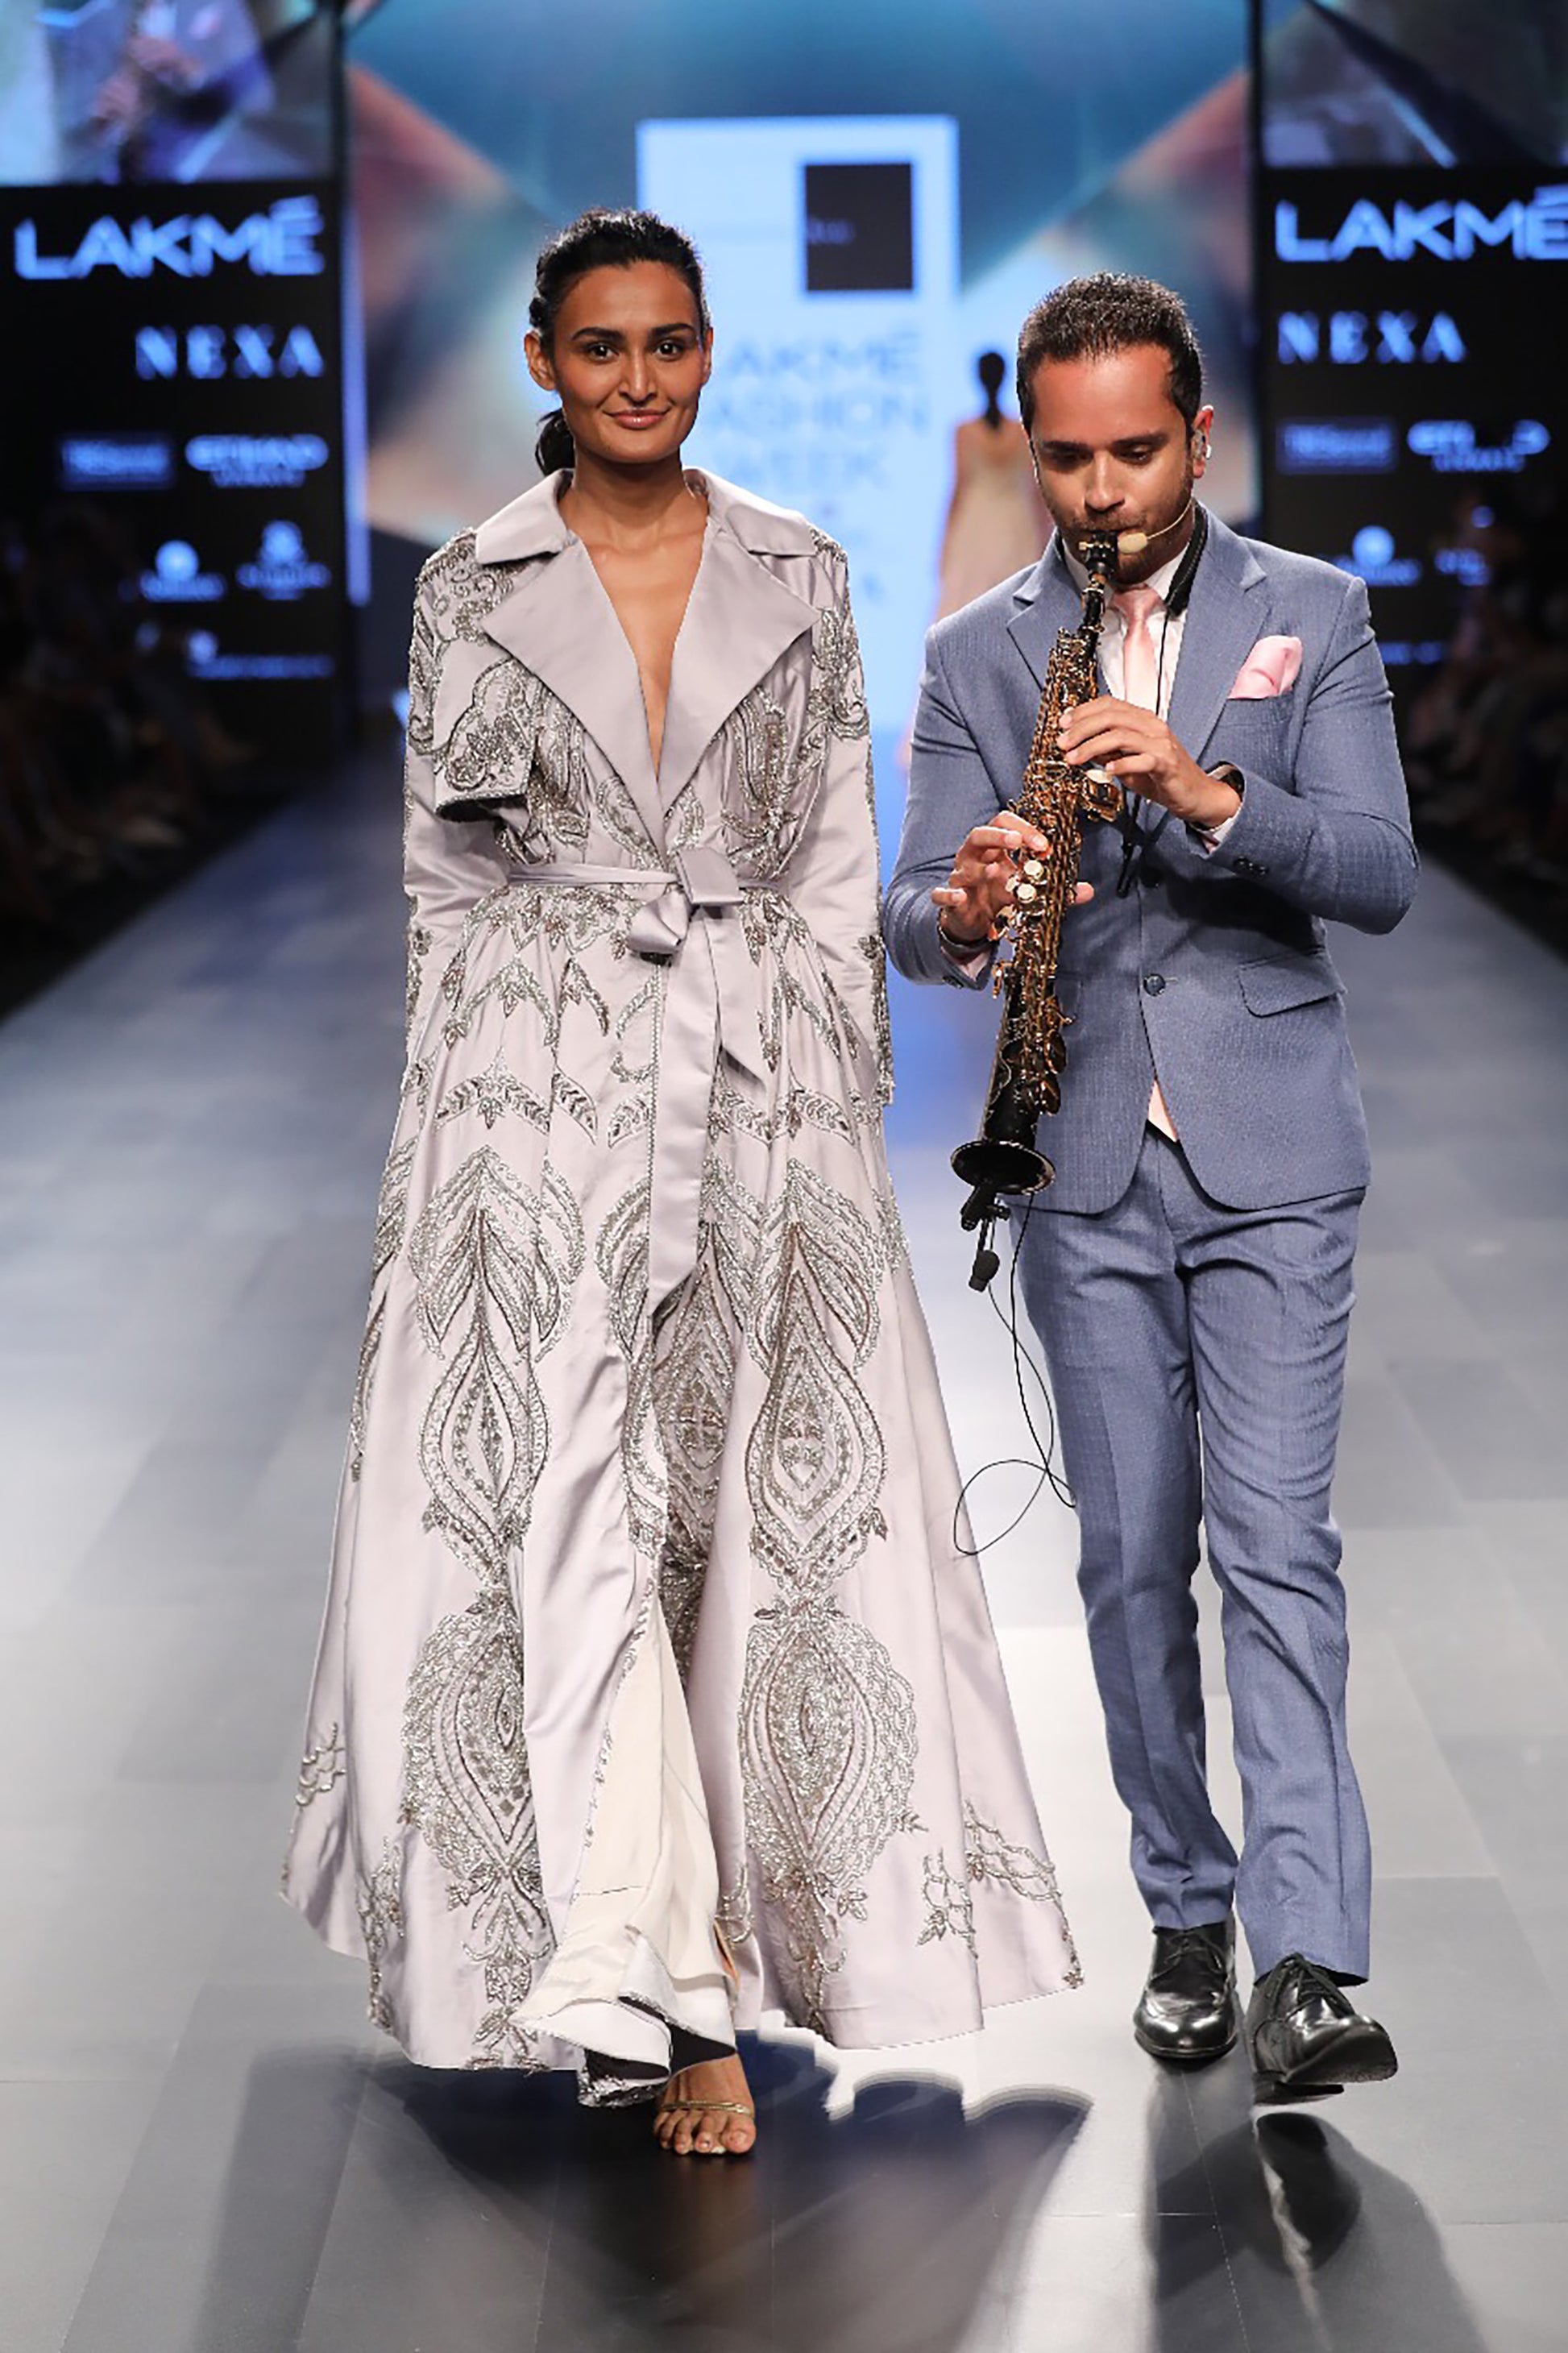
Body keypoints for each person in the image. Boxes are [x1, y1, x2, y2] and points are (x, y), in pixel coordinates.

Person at [284, 209, 1078, 2159]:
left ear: (708, 352)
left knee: (738, 1532)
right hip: (536, 1107)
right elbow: (445, 882)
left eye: (669, 343)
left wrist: (837, 1108)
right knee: (576, 1523)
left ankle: (712, 1941)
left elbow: (831, 862)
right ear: (544, 363)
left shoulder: (799, 568)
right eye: (601, 346)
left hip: (752, 1096)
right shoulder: (471, 582)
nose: (638, 378)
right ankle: (669, 1998)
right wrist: (448, 1136)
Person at [886, 272, 1415, 2103]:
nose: (1100, 489)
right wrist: (963, 906)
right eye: (1066, 459)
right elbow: (907, 910)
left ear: (1199, 435)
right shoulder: (977, 651)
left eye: (1133, 451)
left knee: (1277, 1547)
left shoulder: (1311, 613)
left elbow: (1378, 871)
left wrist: (1205, 793)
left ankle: (1309, 1961)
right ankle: (1188, 1909)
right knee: (1127, 1562)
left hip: (1274, 1152)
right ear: (1032, 455)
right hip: (1084, 1155)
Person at [933, 351, 1051, 621]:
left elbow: (959, 488)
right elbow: (1036, 491)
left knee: (970, 601)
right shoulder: (1020, 431)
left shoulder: (967, 431)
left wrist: (946, 543)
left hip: (978, 523)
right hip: (1014, 522)